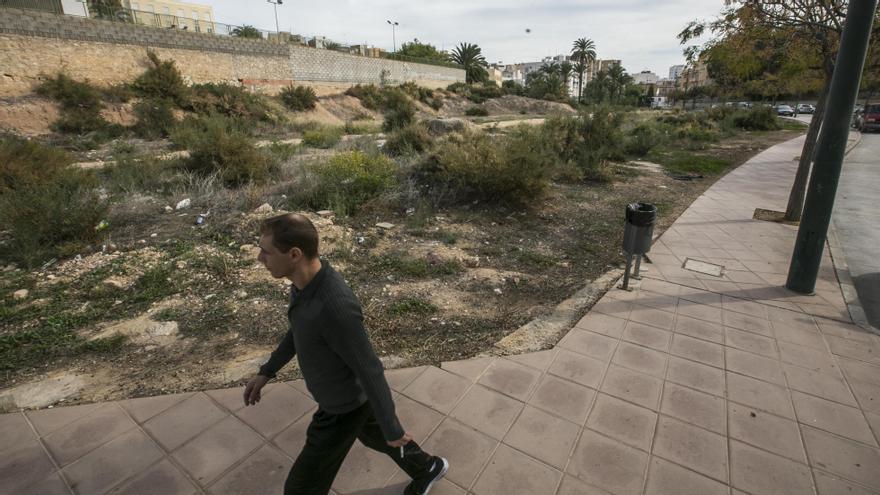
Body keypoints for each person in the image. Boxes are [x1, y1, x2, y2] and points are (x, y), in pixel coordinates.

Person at [243, 213, 448, 495]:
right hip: (348, 399)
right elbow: (299, 329)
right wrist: (268, 370)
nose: (259, 258)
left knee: (302, 486)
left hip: (341, 408)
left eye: (266, 252)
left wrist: (392, 424)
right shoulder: (304, 285)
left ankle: (414, 456)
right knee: (379, 437)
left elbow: (369, 368)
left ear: (294, 254)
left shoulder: (334, 307)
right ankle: (428, 468)